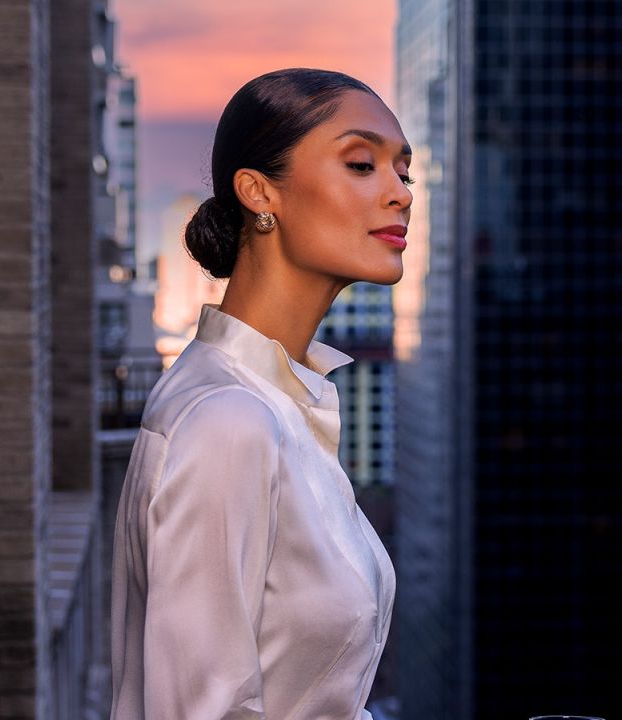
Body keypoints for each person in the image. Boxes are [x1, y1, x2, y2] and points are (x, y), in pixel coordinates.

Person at [110, 68, 411, 720]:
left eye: (404, 172)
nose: (399, 194)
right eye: (362, 164)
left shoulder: (285, 406)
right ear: (257, 191)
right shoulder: (228, 421)